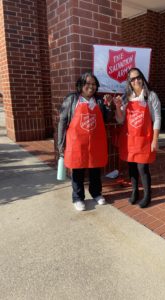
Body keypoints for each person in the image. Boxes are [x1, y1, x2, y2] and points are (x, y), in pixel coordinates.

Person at [58, 72, 112, 211]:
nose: (91, 87)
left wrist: (108, 106)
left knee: (95, 169)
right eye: (88, 83)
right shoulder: (72, 99)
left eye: (94, 84)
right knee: (78, 170)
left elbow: (107, 119)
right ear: (81, 85)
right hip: (76, 143)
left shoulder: (99, 101)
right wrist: (60, 143)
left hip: (95, 143)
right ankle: (78, 197)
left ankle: (96, 193)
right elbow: (62, 122)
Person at [113, 67, 161, 208]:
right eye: (132, 79)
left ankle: (147, 194)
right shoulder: (127, 97)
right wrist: (117, 106)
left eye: (138, 77)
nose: (136, 80)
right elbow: (121, 120)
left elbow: (157, 118)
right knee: (132, 167)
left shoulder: (151, 96)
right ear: (129, 82)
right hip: (130, 140)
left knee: (142, 168)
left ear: (142, 78)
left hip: (145, 140)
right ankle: (135, 191)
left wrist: (155, 140)